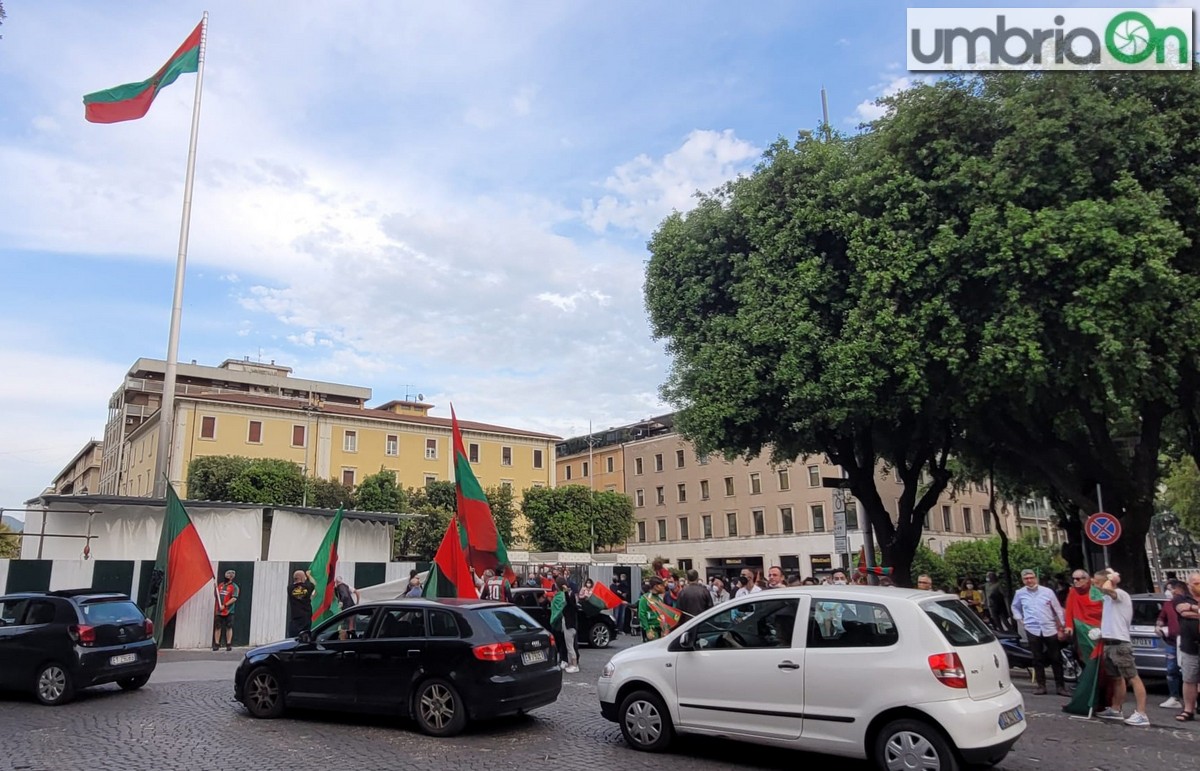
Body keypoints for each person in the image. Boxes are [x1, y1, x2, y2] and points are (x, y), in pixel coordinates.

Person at [1094, 569, 1149, 726]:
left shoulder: (1119, 594)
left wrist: (1111, 578)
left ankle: (1141, 713)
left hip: (1120, 643)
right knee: (1117, 678)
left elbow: (1107, 589)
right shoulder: (1107, 598)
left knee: (1133, 677)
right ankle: (1116, 708)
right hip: (1110, 643)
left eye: (1097, 582)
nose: (1096, 585)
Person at [1010, 568, 1069, 696]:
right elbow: (1015, 606)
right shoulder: (1020, 593)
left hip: (1049, 627)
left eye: (1031, 578)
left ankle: (1060, 686)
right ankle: (1041, 686)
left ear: (1035, 578)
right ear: (1023, 580)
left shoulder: (1047, 592)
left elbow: (1057, 609)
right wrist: (1020, 619)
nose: (1029, 580)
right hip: (1032, 628)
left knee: (1056, 658)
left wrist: (1063, 625)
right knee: (1037, 658)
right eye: (1026, 579)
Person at [1170, 572, 1200, 722]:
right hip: (1189, 644)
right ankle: (1188, 710)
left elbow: (1189, 612)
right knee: (1189, 678)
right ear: (1188, 585)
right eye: (1194, 583)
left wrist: (1192, 609)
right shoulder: (1181, 598)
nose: (1197, 585)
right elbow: (1183, 611)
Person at [1157, 580, 1186, 711]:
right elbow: (1161, 618)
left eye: (1171, 589)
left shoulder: (1188, 602)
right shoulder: (1167, 604)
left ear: (1179, 589)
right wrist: (1158, 626)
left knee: (1191, 672)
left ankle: (1194, 699)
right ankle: (1174, 697)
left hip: (1187, 641)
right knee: (1171, 670)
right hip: (1171, 642)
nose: (1169, 592)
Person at [550, 576, 579, 673]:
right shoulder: (568, 596)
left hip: (569, 625)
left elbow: (569, 604)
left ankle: (574, 665)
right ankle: (571, 663)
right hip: (568, 624)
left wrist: (566, 592)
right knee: (568, 645)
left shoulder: (567, 597)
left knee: (570, 646)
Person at [213, 569, 239, 652]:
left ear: (232, 578)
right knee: (217, 627)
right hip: (219, 611)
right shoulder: (220, 585)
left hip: (229, 611)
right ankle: (216, 644)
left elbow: (234, 598)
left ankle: (228, 644)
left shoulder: (234, 587)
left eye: (229, 576)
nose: (227, 577)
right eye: (227, 575)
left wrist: (225, 605)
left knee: (229, 627)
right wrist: (215, 589)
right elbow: (216, 595)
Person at [287, 569, 316, 638]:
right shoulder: (307, 587)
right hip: (305, 619)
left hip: (295, 619)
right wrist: (309, 575)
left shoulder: (290, 588)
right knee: (304, 639)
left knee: (293, 639)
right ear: (302, 578)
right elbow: (314, 583)